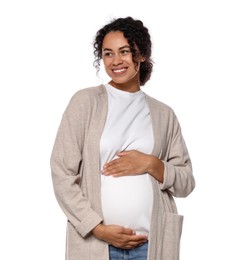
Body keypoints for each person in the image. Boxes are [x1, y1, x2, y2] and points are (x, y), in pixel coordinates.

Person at [50, 16, 195, 260]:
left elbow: (186, 183)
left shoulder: (163, 114)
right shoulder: (85, 103)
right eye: (108, 54)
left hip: (150, 245)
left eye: (125, 51)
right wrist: (97, 228)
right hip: (97, 244)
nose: (116, 61)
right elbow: (62, 173)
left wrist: (152, 164)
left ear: (142, 55)